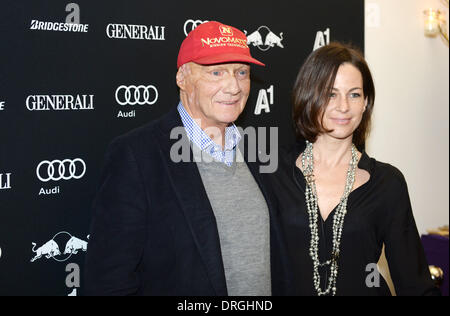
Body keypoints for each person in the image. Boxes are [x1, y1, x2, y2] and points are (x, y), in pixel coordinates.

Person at [84, 21, 291, 296]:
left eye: (241, 72)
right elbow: (108, 282)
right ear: (182, 78)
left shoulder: (257, 149)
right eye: (216, 72)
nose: (233, 87)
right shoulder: (136, 156)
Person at [268, 42, 440, 296]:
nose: (344, 106)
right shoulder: (272, 172)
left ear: (366, 102)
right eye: (331, 94)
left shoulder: (387, 183)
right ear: (309, 95)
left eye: (354, 94)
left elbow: (414, 283)